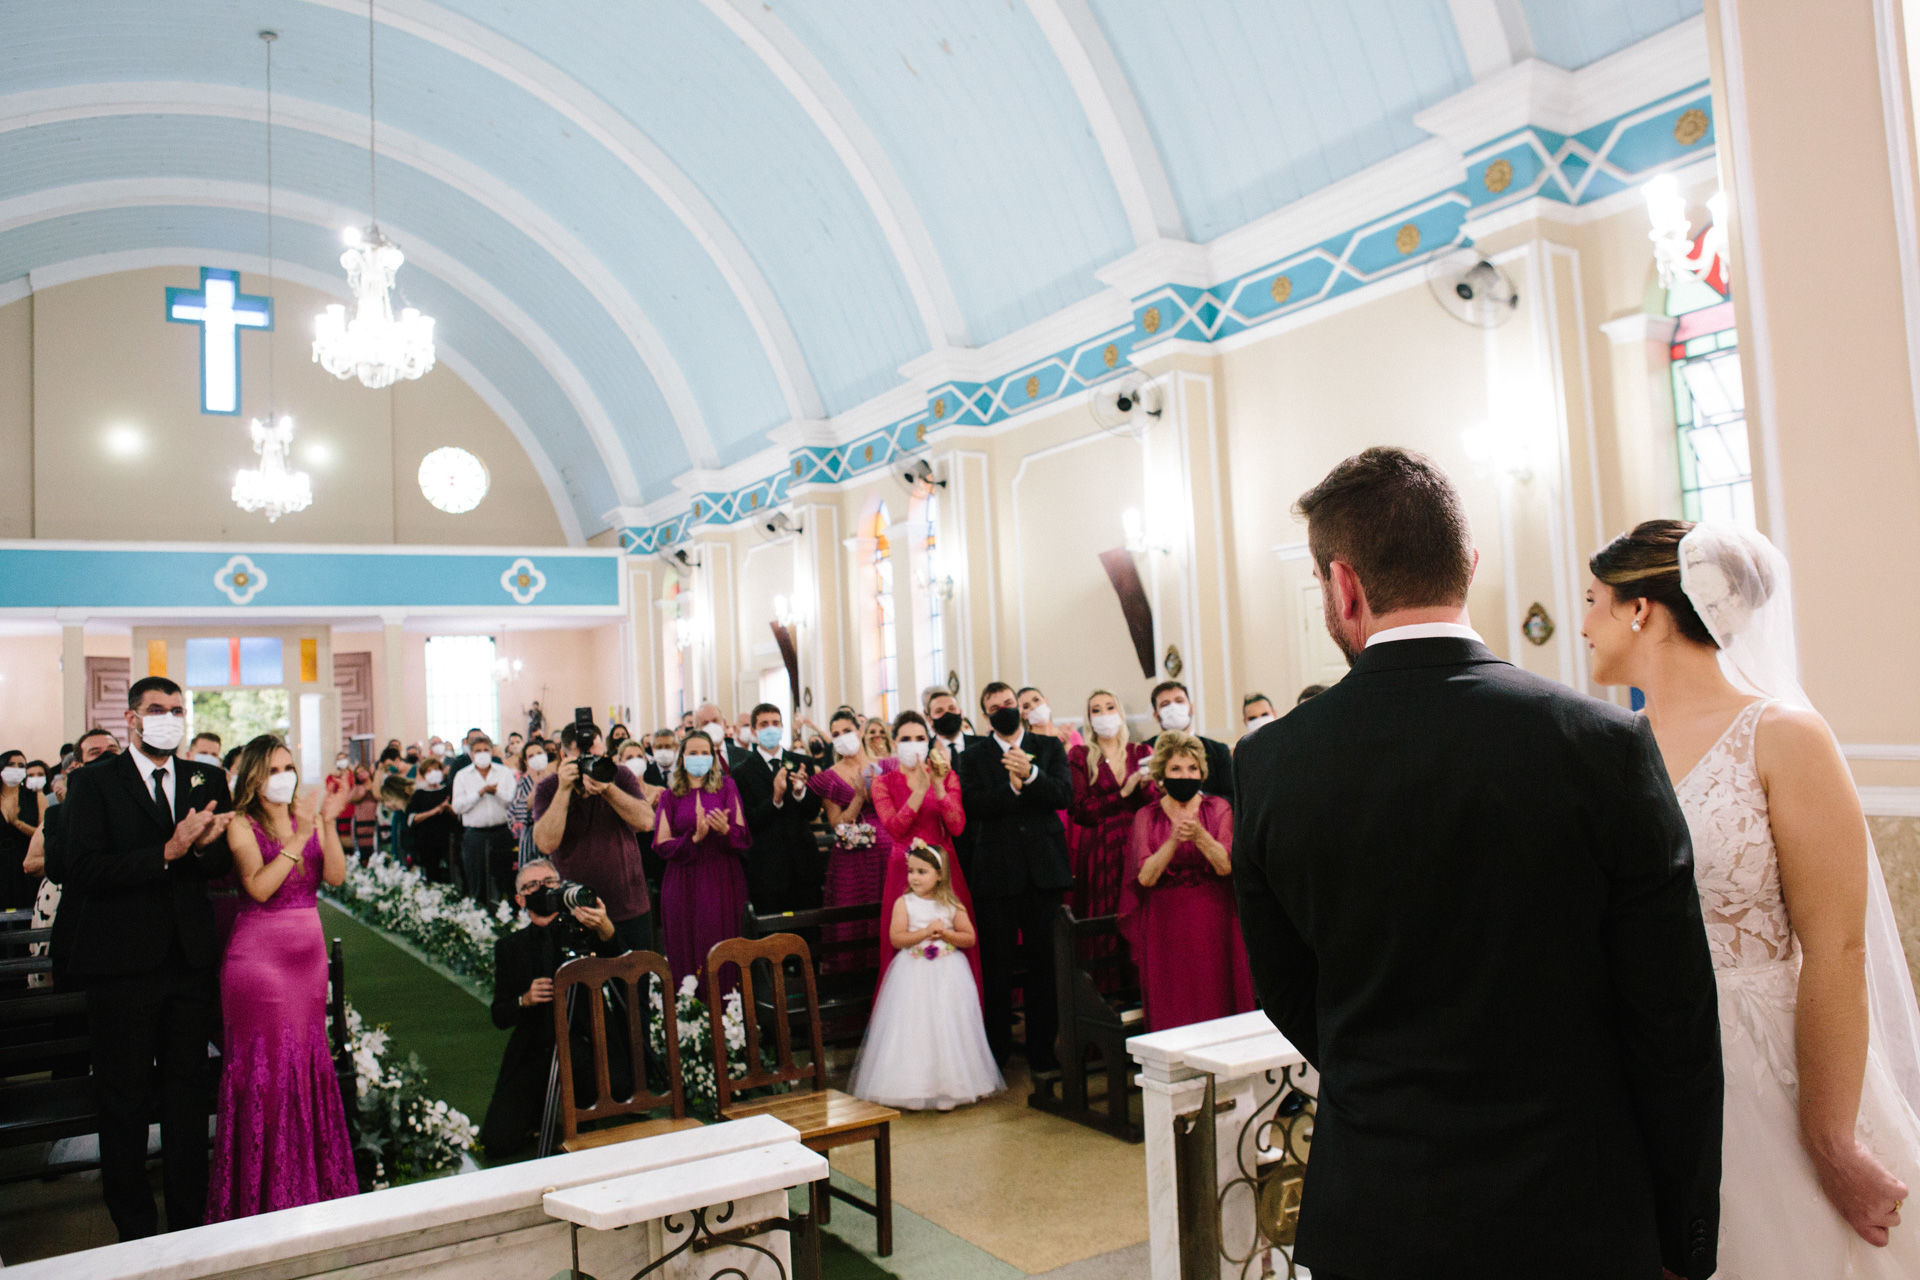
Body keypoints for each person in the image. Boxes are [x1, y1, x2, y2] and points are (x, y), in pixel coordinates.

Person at [1233, 447, 1724, 1280]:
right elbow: (1672, 1015)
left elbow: (1283, 985)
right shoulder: (1602, 744)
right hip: (1575, 1211)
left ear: (1342, 585)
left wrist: (1386, 1068)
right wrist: (1685, 1237)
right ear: (1469, 565)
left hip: (1379, 1210)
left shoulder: (1270, 762)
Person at [1586, 518, 1920, 1274]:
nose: (1582, 624)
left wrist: (1830, 1137)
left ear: (1640, 610)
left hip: (1770, 1066)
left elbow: (1837, 946)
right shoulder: (1609, 745)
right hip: (1644, 1073)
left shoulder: (1783, 736)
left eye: (1593, 601)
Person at [62, 676, 236, 1239]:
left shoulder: (205, 778)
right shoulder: (94, 783)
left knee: (188, 1095)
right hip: (121, 967)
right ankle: (134, 1227)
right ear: (133, 718)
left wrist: (207, 849)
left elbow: (214, 872)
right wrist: (168, 850)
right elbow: (82, 870)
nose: (170, 717)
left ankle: (190, 1219)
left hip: (188, 961)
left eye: (178, 710)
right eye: (157, 709)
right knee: (125, 1099)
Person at [206, 735, 357, 1221]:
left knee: (307, 1062)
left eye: (289, 766)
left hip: (306, 960)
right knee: (269, 1071)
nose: (284, 776)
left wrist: (327, 823)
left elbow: (334, 877)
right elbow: (259, 886)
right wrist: (299, 836)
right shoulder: (242, 825)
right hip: (259, 962)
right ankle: (264, 1194)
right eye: (274, 769)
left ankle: (311, 1186)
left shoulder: (307, 820)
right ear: (253, 777)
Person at [958, 681, 1073, 1072]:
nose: (1004, 709)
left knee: (1046, 965)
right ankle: (997, 1054)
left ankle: (1044, 1051)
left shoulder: (1049, 746)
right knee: (998, 966)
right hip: (997, 872)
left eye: (1009, 702)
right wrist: (1011, 786)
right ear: (986, 714)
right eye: (995, 706)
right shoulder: (973, 756)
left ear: (1018, 707)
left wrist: (1034, 774)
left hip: (1044, 868)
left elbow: (1063, 794)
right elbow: (972, 805)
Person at [478, 857, 620, 1161]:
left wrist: (606, 928)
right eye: (531, 886)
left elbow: (626, 967)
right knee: (498, 1141)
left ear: (562, 887)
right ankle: (534, 1114)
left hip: (586, 1044)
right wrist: (523, 999)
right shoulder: (509, 947)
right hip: (534, 1047)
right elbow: (499, 1015)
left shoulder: (587, 929)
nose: (541, 890)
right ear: (520, 899)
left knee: (594, 1131)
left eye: (548, 884)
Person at [847, 842, 1002, 1111]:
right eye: (911, 871)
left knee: (947, 1026)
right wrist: (924, 933)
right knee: (915, 1026)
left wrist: (946, 934)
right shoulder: (903, 903)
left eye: (922, 871)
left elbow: (969, 938)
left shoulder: (953, 904)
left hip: (948, 973)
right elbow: (897, 937)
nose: (914, 877)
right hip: (913, 974)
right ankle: (913, 1088)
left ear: (940, 874)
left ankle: (950, 1089)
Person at [1119, 731, 1252, 1032]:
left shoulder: (1219, 808)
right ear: (1162, 773)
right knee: (1174, 1001)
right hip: (1166, 924)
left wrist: (1200, 836)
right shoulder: (1146, 816)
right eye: (1176, 769)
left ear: (1202, 772)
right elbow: (1145, 876)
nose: (1185, 775)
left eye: (1192, 769)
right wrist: (1173, 842)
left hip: (1214, 918)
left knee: (1218, 993)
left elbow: (1225, 866)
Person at [871, 710, 981, 1002]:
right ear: (895, 743)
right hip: (904, 873)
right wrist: (918, 791)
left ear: (929, 741)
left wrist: (936, 786)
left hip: (944, 870)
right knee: (907, 941)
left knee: (953, 939)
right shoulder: (883, 782)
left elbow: (957, 826)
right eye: (906, 739)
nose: (913, 744)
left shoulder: (948, 777)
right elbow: (895, 828)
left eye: (920, 738)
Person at [532, 720, 658, 953]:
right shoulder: (550, 787)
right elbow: (546, 843)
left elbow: (647, 822)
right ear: (563, 756)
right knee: (580, 985)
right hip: (576, 908)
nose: (590, 764)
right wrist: (564, 790)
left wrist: (608, 788)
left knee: (633, 980)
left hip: (628, 906)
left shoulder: (620, 775)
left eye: (596, 756)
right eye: (582, 758)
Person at [653, 733, 750, 995]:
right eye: (692, 753)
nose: (699, 758)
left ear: (713, 756)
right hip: (683, 879)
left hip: (720, 877)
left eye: (704, 752)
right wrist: (693, 838)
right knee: (686, 947)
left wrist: (724, 829)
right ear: (682, 758)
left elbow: (742, 835)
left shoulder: (727, 787)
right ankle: (689, 1017)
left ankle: (729, 1018)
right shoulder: (669, 796)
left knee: (720, 941)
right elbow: (661, 844)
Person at [810, 708, 892, 966]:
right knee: (853, 918)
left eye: (846, 731)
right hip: (851, 855)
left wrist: (876, 794)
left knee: (886, 912)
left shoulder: (887, 766)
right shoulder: (828, 777)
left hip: (886, 851)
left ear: (859, 730)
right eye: (835, 734)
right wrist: (857, 797)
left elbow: (897, 809)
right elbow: (836, 823)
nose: (842, 737)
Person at [1067, 690, 1153, 926]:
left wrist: (1146, 787)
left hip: (1138, 842)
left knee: (1139, 913)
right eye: (1096, 710)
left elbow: (1153, 803)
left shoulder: (1140, 752)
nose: (1104, 714)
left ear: (1120, 714)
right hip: (1099, 847)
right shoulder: (1080, 755)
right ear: (1089, 718)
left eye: (1110, 707)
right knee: (1105, 915)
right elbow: (1080, 810)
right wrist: (1124, 792)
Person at [731, 703, 823, 913]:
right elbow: (749, 821)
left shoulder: (802, 763)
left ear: (782, 727)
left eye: (775, 723)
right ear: (754, 731)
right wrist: (775, 799)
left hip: (802, 864)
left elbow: (812, 811)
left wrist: (800, 793)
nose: (770, 728)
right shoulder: (742, 772)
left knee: (808, 933)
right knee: (774, 938)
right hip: (767, 867)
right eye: (764, 724)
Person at [452, 734, 516, 906]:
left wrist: (495, 792)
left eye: (485, 750)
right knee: (476, 875)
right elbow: (457, 807)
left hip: (500, 830)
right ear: (471, 755)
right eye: (477, 751)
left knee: (505, 875)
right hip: (475, 833)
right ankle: (480, 913)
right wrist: (479, 793)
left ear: (491, 751)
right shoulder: (462, 776)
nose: (482, 753)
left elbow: (512, 799)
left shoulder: (503, 772)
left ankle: (508, 911)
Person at [1146, 681, 1234, 804]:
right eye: (1165, 704)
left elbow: (1232, 798)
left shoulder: (1218, 751)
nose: (1173, 708)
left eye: (1179, 701)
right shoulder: (1145, 750)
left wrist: (1199, 797)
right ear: (1156, 715)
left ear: (1191, 708)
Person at [404, 758, 457, 883]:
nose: (433, 772)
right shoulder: (419, 794)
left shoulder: (448, 790)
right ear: (424, 774)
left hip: (447, 836)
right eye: (429, 771)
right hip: (427, 839)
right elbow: (412, 818)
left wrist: (447, 808)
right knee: (432, 872)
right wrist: (434, 811)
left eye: (436, 769)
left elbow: (458, 813)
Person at [1, 746, 42, 909]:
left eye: (21, 766)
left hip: (25, 861)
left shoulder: (35, 797)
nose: (17, 769)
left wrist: (17, 822)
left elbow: (43, 834)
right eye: (12, 765)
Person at [509, 741, 553, 866]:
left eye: (539, 753)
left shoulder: (556, 778)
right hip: (531, 839)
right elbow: (519, 813)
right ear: (525, 761)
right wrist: (536, 786)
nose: (536, 758)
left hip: (554, 834)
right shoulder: (522, 782)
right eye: (531, 756)